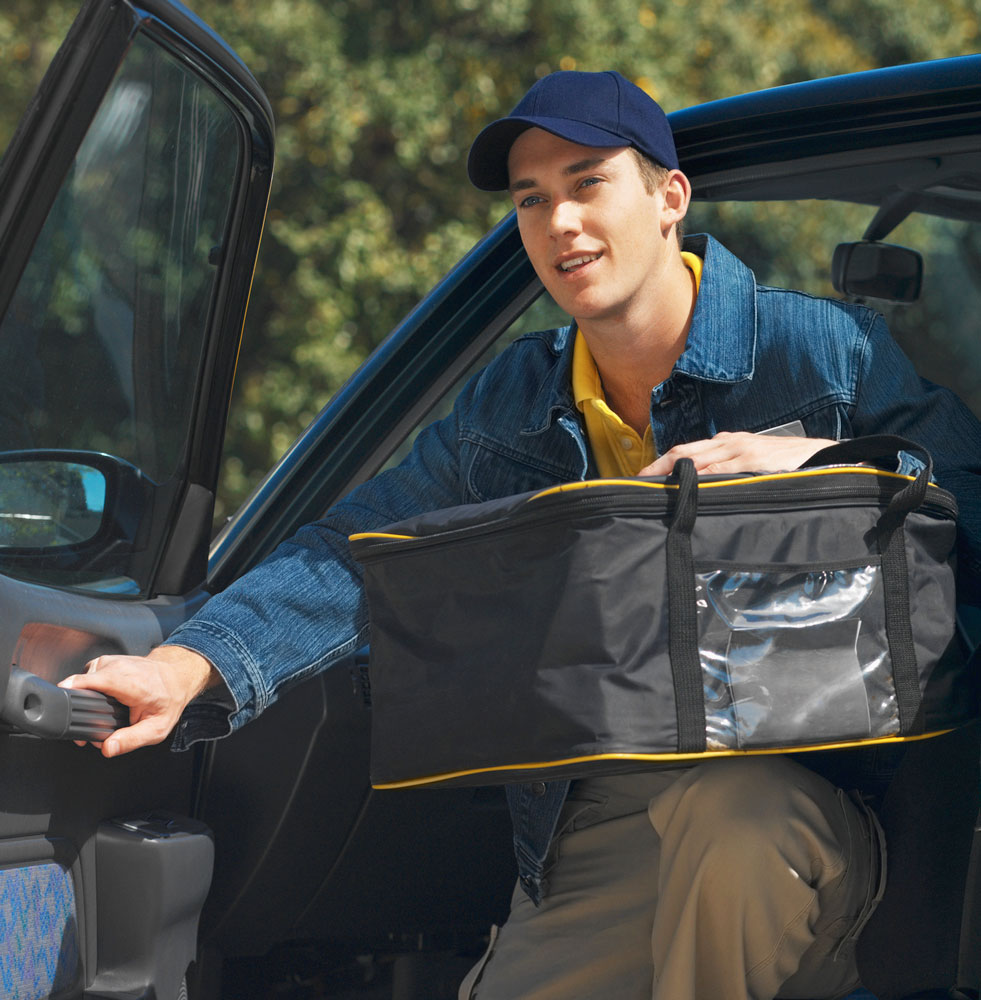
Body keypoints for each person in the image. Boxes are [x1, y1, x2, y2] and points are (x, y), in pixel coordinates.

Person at [63, 70, 981, 999]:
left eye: (588, 183)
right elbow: (361, 550)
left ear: (668, 198)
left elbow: (966, 502)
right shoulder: (511, 404)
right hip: (593, 811)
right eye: (531, 200)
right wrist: (185, 666)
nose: (559, 223)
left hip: (809, 805)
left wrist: (824, 464)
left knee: (731, 815)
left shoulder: (824, 353)